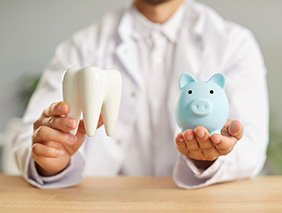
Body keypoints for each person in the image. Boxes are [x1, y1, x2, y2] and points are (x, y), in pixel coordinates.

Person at [13, 0, 269, 189]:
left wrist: (206, 159)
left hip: (193, 204)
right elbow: (29, 136)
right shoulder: (82, 47)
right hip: (98, 202)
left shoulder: (233, 44)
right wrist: (50, 159)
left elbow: (251, 147)